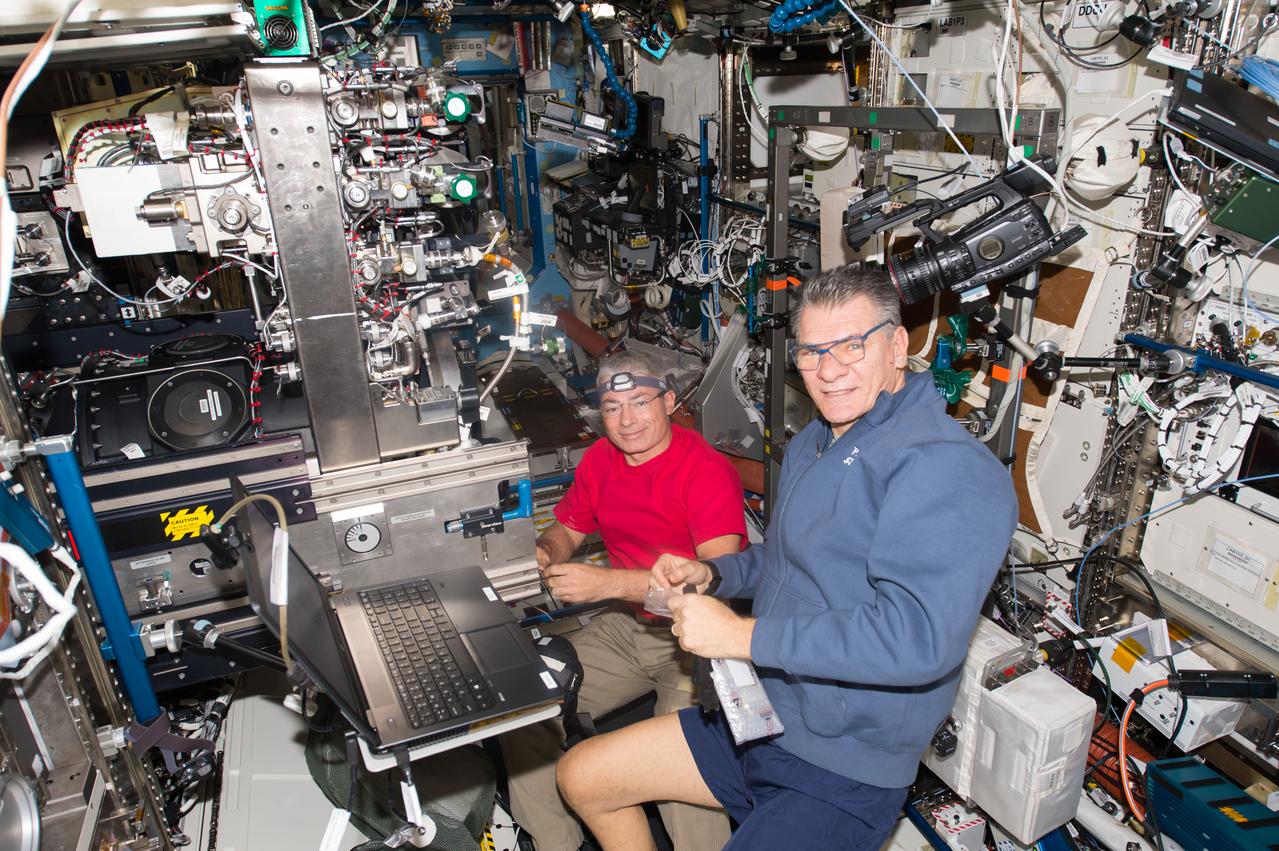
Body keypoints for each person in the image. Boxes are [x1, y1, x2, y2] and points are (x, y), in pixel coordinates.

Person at [555, 265, 1018, 849]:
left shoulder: (945, 468)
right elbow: (786, 559)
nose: (828, 370)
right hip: (759, 715)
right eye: (811, 351)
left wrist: (741, 638)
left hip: (840, 765)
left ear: (898, 346)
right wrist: (715, 573)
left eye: (852, 345)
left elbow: (916, 640)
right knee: (585, 777)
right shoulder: (817, 440)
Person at [501, 350, 741, 851]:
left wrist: (606, 584)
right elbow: (567, 527)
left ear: (670, 402)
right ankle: (555, 843)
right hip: (629, 629)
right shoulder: (600, 460)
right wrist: (547, 551)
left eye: (639, 402)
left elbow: (718, 581)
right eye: (612, 407)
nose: (626, 420)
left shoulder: (705, 471)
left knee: (677, 771)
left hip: (693, 640)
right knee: (527, 711)